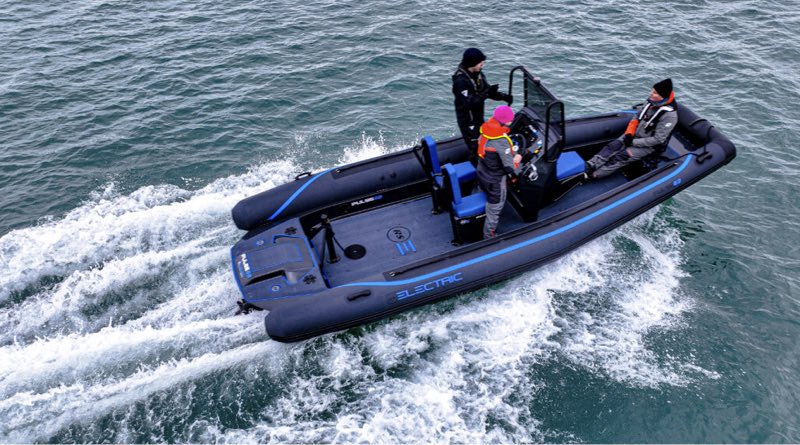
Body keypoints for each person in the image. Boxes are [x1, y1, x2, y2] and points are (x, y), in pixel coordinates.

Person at [586, 78, 679, 179]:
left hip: (648, 146)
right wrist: (629, 134)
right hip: (633, 135)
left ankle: (594, 175)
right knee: (612, 147)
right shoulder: (651, 102)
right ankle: (590, 164)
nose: (651, 93)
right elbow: (636, 118)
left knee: (621, 157)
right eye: (652, 90)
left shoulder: (670, 116)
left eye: (655, 93)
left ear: (662, 97)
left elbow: (658, 139)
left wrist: (633, 143)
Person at [452, 48, 514, 165]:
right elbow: (469, 103)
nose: (482, 65)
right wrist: (485, 94)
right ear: (473, 63)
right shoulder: (460, 82)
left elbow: (487, 91)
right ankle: (478, 168)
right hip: (468, 121)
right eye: (480, 63)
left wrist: (503, 96)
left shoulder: (478, 75)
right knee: (475, 147)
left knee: (484, 140)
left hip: (478, 118)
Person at [477, 105, 522, 239]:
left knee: (485, 193)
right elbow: (510, 168)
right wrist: (517, 159)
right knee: (495, 207)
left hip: (482, 172)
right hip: (495, 181)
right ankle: (489, 236)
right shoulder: (501, 142)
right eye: (510, 118)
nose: (512, 120)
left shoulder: (485, 131)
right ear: (505, 121)